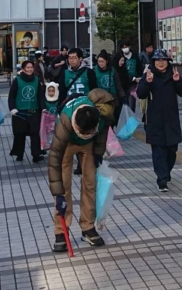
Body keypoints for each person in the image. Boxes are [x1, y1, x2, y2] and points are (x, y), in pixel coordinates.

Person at [47, 88, 116, 252]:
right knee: (64, 187)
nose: (86, 133)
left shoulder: (101, 113)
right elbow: (54, 159)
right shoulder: (64, 123)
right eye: (83, 132)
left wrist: (98, 151)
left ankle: (88, 227)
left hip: (88, 146)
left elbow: (103, 131)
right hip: (67, 145)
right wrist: (57, 193)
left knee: (90, 184)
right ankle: (61, 231)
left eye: (90, 131)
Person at [135, 49, 182, 192]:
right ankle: (162, 180)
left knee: (172, 150)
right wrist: (147, 82)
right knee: (158, 151)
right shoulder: (149, 74)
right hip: (155, 120)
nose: (160, 63)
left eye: (163, 60)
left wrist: (178, 81)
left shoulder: (173, 74)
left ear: (167, 62)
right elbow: (140, 94)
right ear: (153, 62)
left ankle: (166, 172)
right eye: (157, 60)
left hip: (171, 120)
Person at [9, 59, 44, 163]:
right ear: (23, 69)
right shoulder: (17, 80)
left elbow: (40, 96)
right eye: (28, 67)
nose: (30, 69)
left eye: (31, 67)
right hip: (20, 112)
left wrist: (43, 108)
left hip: (34, 111)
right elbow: (11, 96)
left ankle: (36, 155)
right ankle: (19, 154)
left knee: (35, 134)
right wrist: (12, 108)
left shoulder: (37, 80)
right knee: (20, 134)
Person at [95, 50, 126, 119]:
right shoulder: (94, 70)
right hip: (100, 99)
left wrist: (123, 96)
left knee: (115, 118)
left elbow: (118, 85)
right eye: (99, 61)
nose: (100, 63)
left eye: (102, 61)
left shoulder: (112, 70)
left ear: (106, 61)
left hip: (113, 98)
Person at [113, 42, 142, 106]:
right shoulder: (114, 70)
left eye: (126, 47)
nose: (122, 62)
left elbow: (139, 68)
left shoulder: (134, 56)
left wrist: (136, 78)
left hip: (129, 87)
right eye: (123, 47)